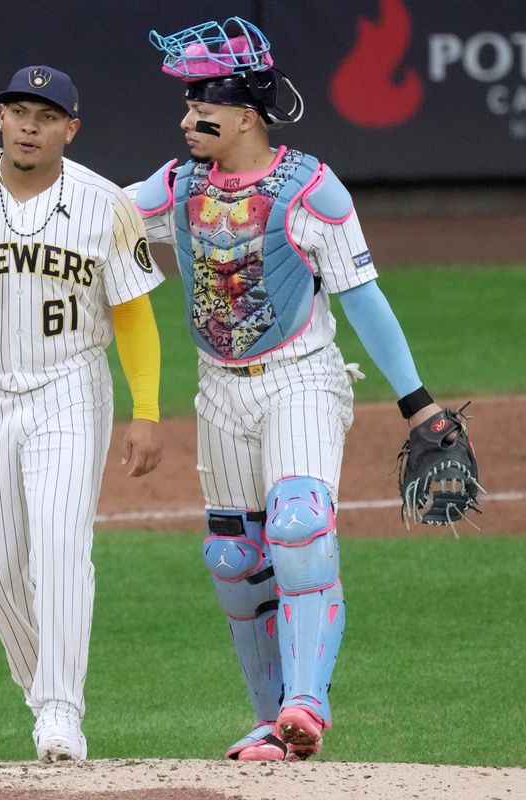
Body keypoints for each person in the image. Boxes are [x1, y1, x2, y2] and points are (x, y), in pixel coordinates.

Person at [126, 17, 451, 762]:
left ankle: (306, 702)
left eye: (199, 103)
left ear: (244, 112)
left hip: (301, 379)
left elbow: (362, 295)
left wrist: (416, 400)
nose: (185, 118)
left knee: (299, 526)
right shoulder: (173, 187)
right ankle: (272, 721)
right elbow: (96, 215)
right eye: (184, 103)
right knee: (233, 562)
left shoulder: (310, 188)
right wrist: (3, 178)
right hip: (217, 391)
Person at [0, 65, 164, 762]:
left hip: (69, 388)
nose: (28, 126)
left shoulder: (104, 203)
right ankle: (39, 685)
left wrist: (146, 409)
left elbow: (133, 313)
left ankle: (59, 712)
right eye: (18, 112)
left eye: (45, 116)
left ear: (69, 129)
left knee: (59, 549)